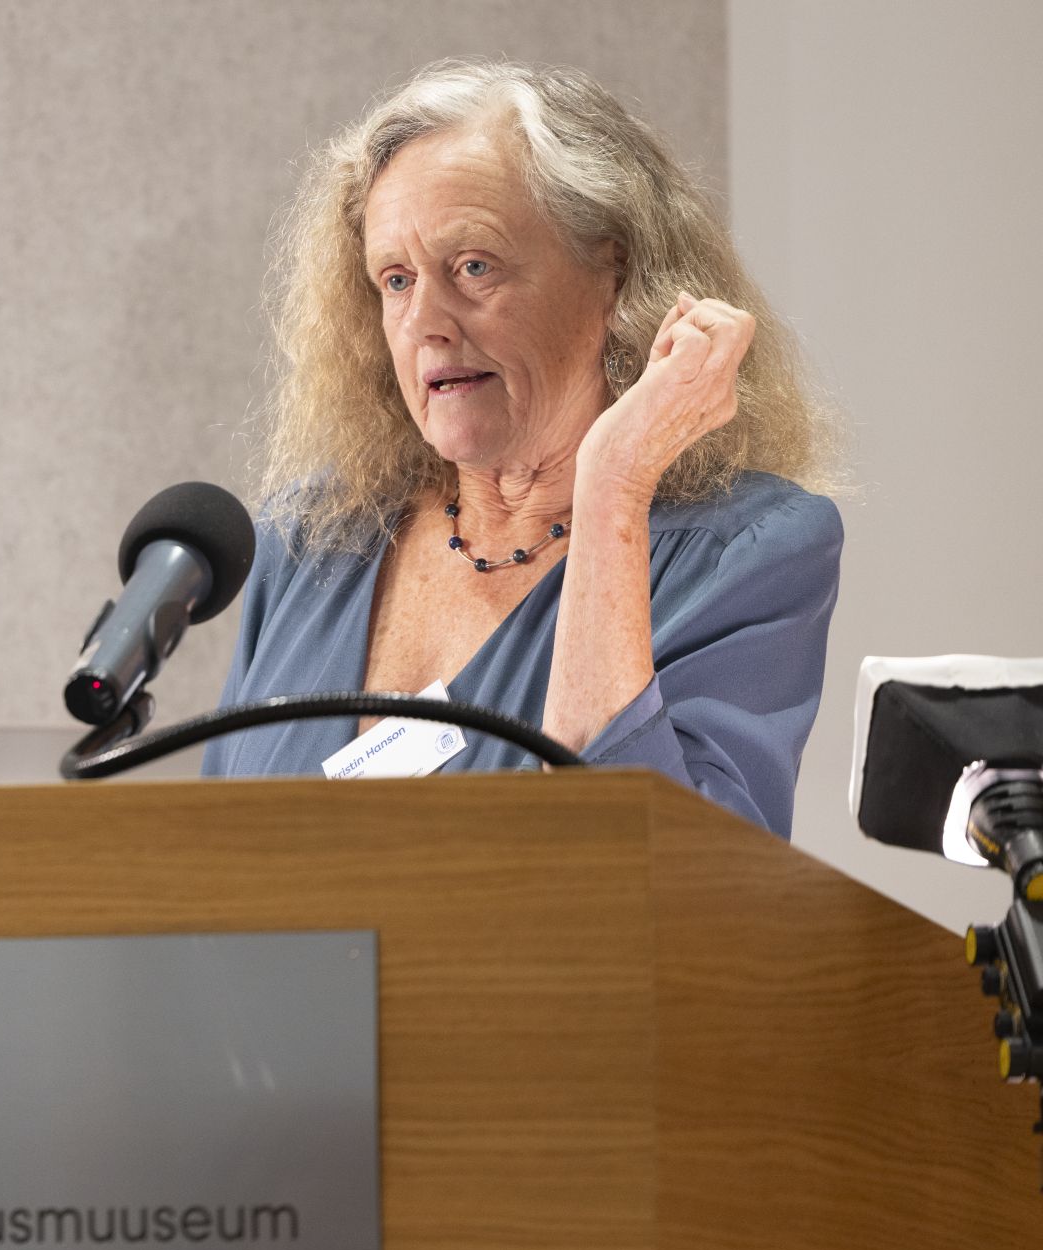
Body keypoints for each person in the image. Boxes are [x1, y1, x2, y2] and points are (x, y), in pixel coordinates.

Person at [200, 60, 842, 838]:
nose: (425, 322)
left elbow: (669, 869)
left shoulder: (744, 551)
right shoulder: (310, 541)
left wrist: (614, 483)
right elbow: (214, 855)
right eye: (396, 281)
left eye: (474, 267)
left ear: (614, 273)